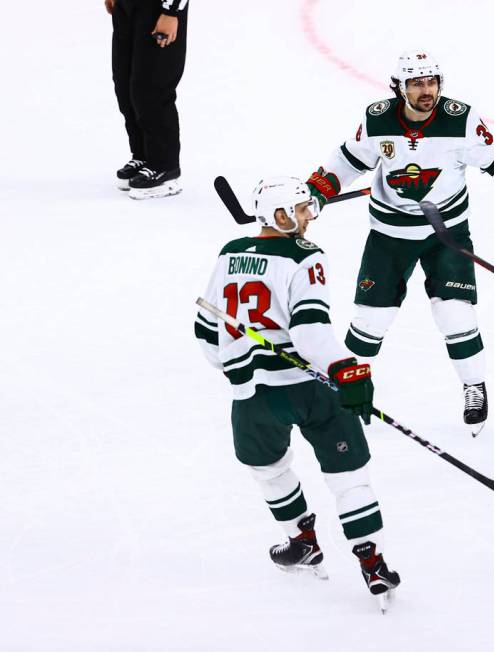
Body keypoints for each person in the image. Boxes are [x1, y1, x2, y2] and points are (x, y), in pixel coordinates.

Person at [305, 50, 494, 436]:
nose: (426, 91)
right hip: (389, 236)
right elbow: (348, 159)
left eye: (431, 82)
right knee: (370, 321)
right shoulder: (377, 119)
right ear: (399, 87)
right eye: (416, 83)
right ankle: (340, 389)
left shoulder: (461, 120)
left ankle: (473, 386)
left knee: (456, 315)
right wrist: (316, 191)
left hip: (445, 234)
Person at [194, 176, 400, 609]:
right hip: (312, 387)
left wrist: (234, 366)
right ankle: (373, 563)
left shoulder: (229, 253)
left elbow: (205, 330)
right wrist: (347, 369)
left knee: (268, 471)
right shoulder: (304, 256)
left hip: (253, 394)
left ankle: (300, 540)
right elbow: (309, 331)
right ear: (281, 216)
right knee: (349, 479)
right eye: (302, 209)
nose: (310, 216)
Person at [106, 0, 188, 199]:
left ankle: (164, 167)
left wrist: (172, 11)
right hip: (126, 6)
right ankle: (143, 157)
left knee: (151, 87)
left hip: (159, 8)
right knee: (125, 86)